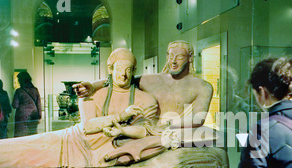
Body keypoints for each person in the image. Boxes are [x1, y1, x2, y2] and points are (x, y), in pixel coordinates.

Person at [0, 48, 163, 168]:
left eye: (128, 70)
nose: (123, 75)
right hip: (74, 141)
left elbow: (148, 131)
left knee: (24, 157)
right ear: (110, 70)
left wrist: (122, 130)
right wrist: (121, 116)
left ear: (134, 71)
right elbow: (88, 126)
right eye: (118, 69)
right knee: (22, 147)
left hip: (94, 152)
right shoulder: (93, 94)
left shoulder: (145, 99)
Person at [73, 40, 213, 128]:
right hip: (144, 129)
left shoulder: (203, 87)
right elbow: (121, 80)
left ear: (190, 58)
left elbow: (198, 118)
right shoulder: (152, 80)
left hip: (170, 130)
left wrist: (169, 124)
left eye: (180, 57)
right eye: (170, 56)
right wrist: (93, 86)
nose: (173, 61)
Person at [12, 71, 42, 137]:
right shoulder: (35, 90)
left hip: (22, 116)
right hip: (33, 115)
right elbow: (39, 104)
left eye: (19, 80)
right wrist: (39, 115)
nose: (18, 82)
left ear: (21, 80)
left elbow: (15, 105)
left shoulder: (19, 91)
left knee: (21, 136)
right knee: (32, 135)